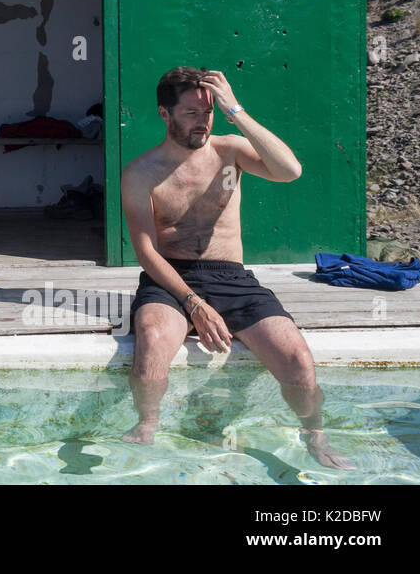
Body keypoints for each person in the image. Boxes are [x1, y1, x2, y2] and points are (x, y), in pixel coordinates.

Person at [119, 66, 354, 470]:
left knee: (297, 356)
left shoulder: (230, 151)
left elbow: (290, 170)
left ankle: (314, 435)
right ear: (164, 114)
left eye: (208, 112)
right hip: (170, 277)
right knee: (154, 336)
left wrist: (236, 110)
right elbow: (146, 252)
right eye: (191, 113)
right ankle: (147, 427)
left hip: (231, 277)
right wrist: (193, 303)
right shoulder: (141, 173)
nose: (202, 122)